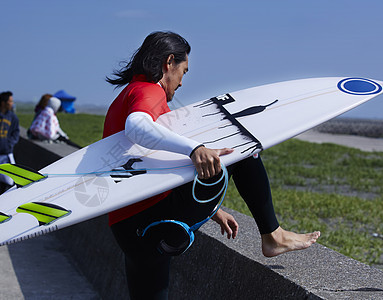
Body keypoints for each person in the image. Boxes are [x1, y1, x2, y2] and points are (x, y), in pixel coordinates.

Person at [104, 31, 320, 298]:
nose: (182, 82)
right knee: (244, 152)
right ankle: (273, 236)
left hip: (127, 228)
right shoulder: (149, 90)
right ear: (169, 62)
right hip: (153, 216)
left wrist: (212, 210)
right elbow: (137, 127)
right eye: (183, 71)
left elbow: (150, 160)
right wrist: (194, 149)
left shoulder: (126, 94)